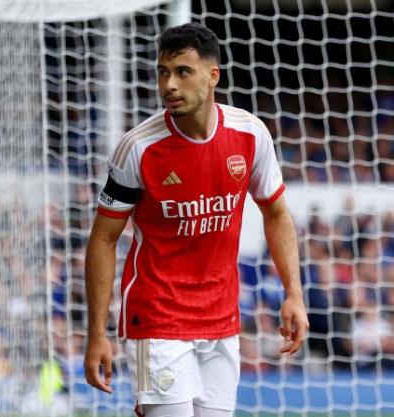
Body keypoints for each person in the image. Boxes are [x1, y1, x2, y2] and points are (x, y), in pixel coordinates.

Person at [83, 22, 308, 417]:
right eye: (163, 72)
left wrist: (294, 293)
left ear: (212, 76)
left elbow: (276, 213)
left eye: (183, 72)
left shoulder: (250, 135)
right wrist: (96, 333)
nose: (169, 84)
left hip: (222, 319)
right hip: (158, 316)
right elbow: (103, 239)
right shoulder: (138, 148)